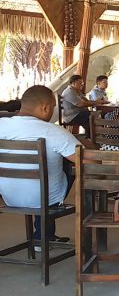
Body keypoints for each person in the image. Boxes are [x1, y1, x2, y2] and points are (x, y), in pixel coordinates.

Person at [0, 85, 83, 245]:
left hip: (8, 197)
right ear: (45, 108)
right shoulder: (53, 131)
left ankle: (43, 235)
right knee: (69, 164)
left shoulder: (2, 124)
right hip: (45, 199)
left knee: (48, 165)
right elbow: (89, 160)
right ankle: (44, 236)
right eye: (52, 107)